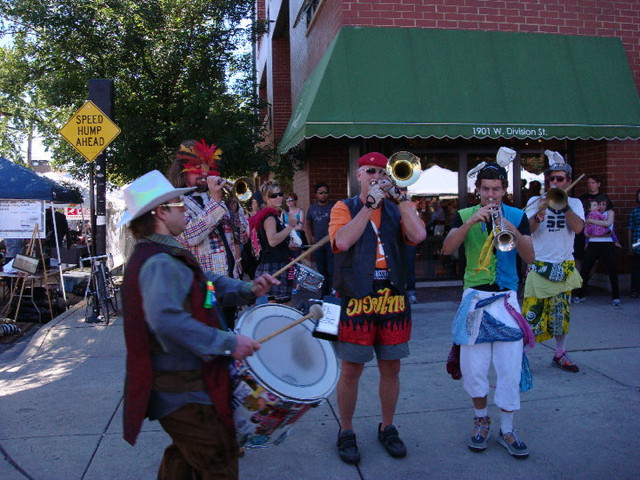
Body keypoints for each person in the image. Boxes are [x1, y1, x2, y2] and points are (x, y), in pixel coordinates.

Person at [118, 170, 278, 479]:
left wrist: (247, 289)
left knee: (187, 455)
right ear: (160, 213)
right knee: (218, 458)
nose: (184, 209)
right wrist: (230, 343)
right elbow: (167, 321)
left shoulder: (166, 252)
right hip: (182, 388)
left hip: (186, 383)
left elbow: (204, 283)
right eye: (178, 204)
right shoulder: (159, 261)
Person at [329, 152, 425, 464]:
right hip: (358, 295)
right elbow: (342, 242)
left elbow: (419, 235)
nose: (377, 175)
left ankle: (388, 426)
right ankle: (346, 430)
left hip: (393, 295)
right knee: (352, 368)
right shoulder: (344, 207)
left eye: (383, 171)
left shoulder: (398, 206)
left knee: (391, 366)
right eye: (370, 170)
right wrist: (368, 207)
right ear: (358, 174)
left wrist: (400, 202)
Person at [441, 157, 535, 459]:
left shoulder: (518, 216)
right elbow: (447, 249)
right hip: (475, 300)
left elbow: (531, 257)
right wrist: (470, 222)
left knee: (509, 369)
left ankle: (507, 428)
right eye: (485, 190)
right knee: (474, 369)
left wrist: (509, 227)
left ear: (504, 189)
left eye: (496, 189)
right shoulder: (464, 214)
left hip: (507, 298)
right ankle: (481, 420)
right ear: (477, 191)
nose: (491, 195)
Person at [167, 139, 249, 326]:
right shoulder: (175, 201)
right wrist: (216, 202)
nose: (204, 173)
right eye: (196, 167)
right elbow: (190, 237)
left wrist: (235, 209)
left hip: (228, 282)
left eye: (207, 167)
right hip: (201, 286)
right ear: (182, 170)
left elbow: (243, 235)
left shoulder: (219, 197)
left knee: (228, 335)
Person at [522, 159, 585, 373]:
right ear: (546, 181)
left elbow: (578, 228)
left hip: (563, 265)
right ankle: (520, 356)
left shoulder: (575, 203)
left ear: (568, 181)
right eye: (552, 179)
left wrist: (563, 205)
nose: (555, 182)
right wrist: (539, 214)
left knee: (561, 314)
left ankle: (560, 353)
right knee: (531, 314)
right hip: (539, 265)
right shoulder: (534, 200)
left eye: (560, 179)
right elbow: (528, 230)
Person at [249, 181, 297, 302]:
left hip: (274, 264)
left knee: (273, 310)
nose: (279, 197)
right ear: (266, 198)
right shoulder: (270, 217)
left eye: (280, 194)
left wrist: (287, 245)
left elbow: (272, 242)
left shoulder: (271, 215)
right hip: (275, 266)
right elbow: (272, 241)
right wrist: (290, 226)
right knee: (283, 309)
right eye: (274, 196)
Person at [573, 193, 620, 306]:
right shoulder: (591, 213)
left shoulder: (609, 212)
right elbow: (586, 228)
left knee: (612, 269)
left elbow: (608, 223)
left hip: (607, 243)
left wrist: (592, 221)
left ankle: (616, 296)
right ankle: (580, 294)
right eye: (599, 204)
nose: (602, 206)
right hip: (593, 243)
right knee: (585, 269)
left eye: (604, 204)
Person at [305, 182, 335, 296]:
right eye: (320, 193)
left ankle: (332, 293)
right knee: (322, 270)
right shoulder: (312, 209)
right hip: (318, 244)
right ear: (316, 194)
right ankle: (324, 294)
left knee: (331, 270)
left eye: (326, 192)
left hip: (331, 243)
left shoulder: (334, 207)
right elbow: (307, 224)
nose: (323, 195)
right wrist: (310, 237)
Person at [574, 174, 602, 269]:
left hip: (597, 232)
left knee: (596, 259)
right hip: (583, 231)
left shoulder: (603, 198)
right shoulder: (581, 199)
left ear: (598, 184)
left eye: (593, 183)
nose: (590, 185)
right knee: (579, 256)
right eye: (588, 183)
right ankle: (580, 282)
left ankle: (587, 279)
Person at [628, 188, 640, 298]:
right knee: (636, 268)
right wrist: (630, 246)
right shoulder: (635, 211)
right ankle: (635, 289)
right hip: (637, 243)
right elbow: (630, 228)